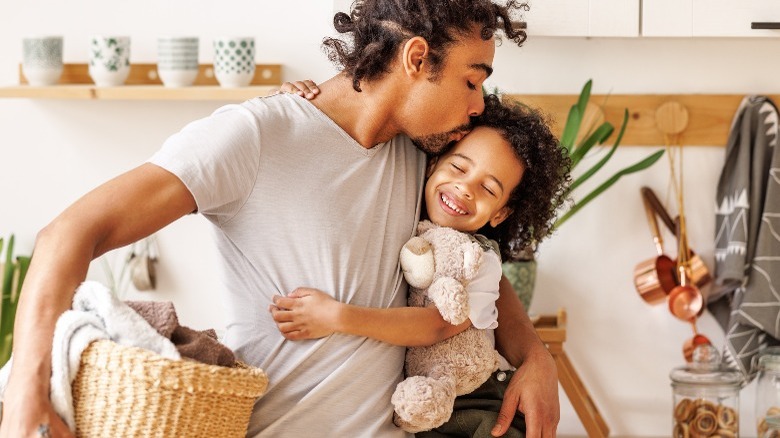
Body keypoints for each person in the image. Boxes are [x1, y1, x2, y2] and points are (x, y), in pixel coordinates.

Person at [0, 1, 561, 437]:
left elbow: (464, 266)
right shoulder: (255, 137)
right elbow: (67, 235)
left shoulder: (423, 158)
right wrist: (26, 402)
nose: (479, 105)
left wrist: (534, 356)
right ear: (417, 59)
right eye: (471, 79)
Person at [268, 93, 570, 437]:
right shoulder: (408, 211)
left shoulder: (480, 263)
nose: (465, 187)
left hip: (474, 406)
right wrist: (300, 100)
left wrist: (336, 316)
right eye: (458, 167)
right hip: (422, 404)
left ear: (500, 214)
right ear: (433, 164)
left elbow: (438, 327)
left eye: (488, 188)